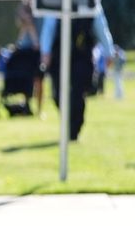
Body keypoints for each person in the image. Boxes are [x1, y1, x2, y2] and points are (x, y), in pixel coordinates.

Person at [40, 9, 116, 141]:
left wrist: (109, 52)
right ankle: (68, 122)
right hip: (59, 54)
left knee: (78, 93)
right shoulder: (56, 0)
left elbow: (100, 26)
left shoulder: (88, 0)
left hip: (82, 54)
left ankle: (74, 129)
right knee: (58, 94)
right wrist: (45, 51)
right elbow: (49, 26)